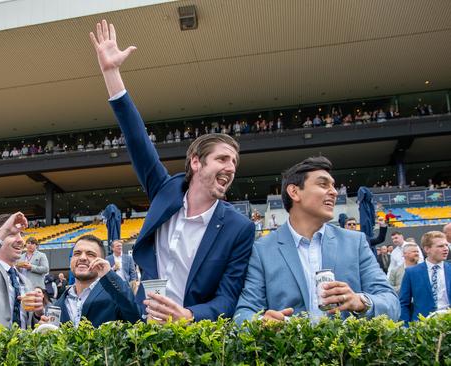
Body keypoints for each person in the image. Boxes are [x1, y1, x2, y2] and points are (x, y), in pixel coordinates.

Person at [90, 20, 254, 322]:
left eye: (234, 162)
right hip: (144, 329)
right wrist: (111, 73)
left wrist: (189, 315)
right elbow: (137, 138)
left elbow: (229, 299)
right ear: (195, 162)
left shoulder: (239, 227)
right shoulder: (164, 191)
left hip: (196, 338)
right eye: (222, 159)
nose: (230, 168)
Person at [235, 157, 399, 323]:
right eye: (323, 184)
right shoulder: (262, 249)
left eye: (333, 186)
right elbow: (245, 313)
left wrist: (362, 302)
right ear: (294, 192)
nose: (334, 192)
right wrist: (261, 322)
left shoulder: (355, 242)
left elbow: (391, 303)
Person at [41, 235, 140, 327]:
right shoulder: (58, 305)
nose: (82, 258)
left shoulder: (115, 295)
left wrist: (109, 274)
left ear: (102, 261)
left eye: (90, 254)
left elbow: (136, 318)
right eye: (77, 253)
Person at [399, 231, 450, 323]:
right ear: (427, 249)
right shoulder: (411, 273)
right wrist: (405, 326)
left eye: (446, 245)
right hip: (423, 327)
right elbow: (403, 303)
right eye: (440, 246)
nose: (446, 249)